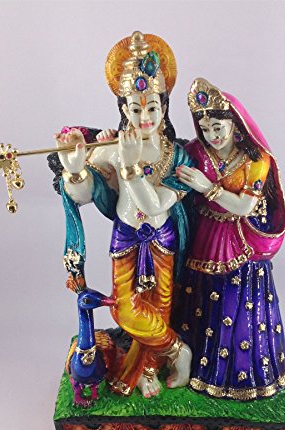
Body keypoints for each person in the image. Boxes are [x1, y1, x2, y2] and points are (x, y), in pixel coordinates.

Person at [53, 32, 193, 398]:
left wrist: (130, 168)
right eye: (135, 109)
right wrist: (75, 171)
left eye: (152, 108)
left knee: (160, 307)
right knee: (125, 310)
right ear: (124, 109)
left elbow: (156, 204)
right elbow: (83, 195)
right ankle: (177, 351)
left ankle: (148, 368)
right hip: (126, 236)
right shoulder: (112, 147)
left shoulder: (176, 155)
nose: (144, 117)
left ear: (164, 107)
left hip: (162, 238)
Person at [175, 78, 285, 401]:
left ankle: (239, 375)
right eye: (205, 129)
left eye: (218, 127)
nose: (212, 135)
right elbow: (168, 162)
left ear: (234, 124)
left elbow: (243, 206)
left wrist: (206, 187)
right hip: (204, 235)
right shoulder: (196, 152)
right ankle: (194, 365)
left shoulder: (256, 160)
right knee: (200, 299)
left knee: (236, 303)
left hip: (240, 241)